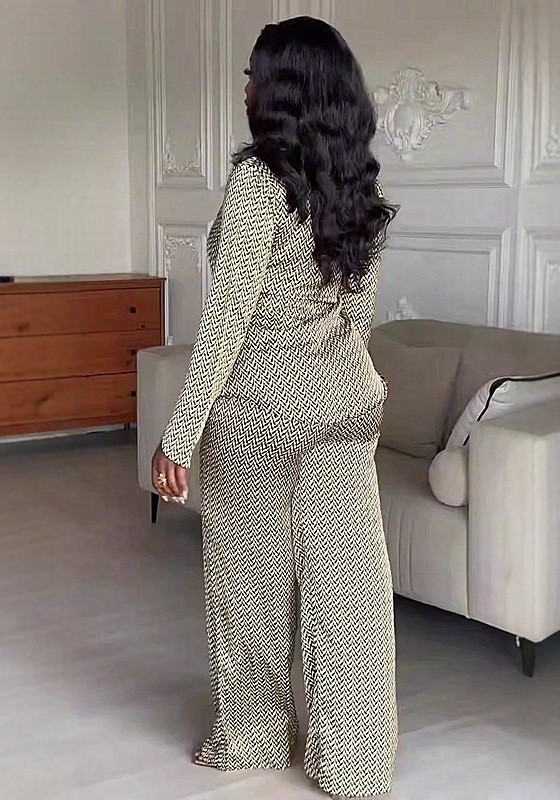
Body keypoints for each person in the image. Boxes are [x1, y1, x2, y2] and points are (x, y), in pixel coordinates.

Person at [152, 15, 398, 799]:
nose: (246, 89)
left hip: (258, 414)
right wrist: (349, 385)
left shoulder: (261, 182)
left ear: (283, 88)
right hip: (345, 406)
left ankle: (254, 736)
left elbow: (227, 320)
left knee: (250, 586)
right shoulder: (357, 182)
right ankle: (357, 765)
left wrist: (178, 437)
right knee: (351, 594)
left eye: (254, 75)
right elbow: (358, 312)